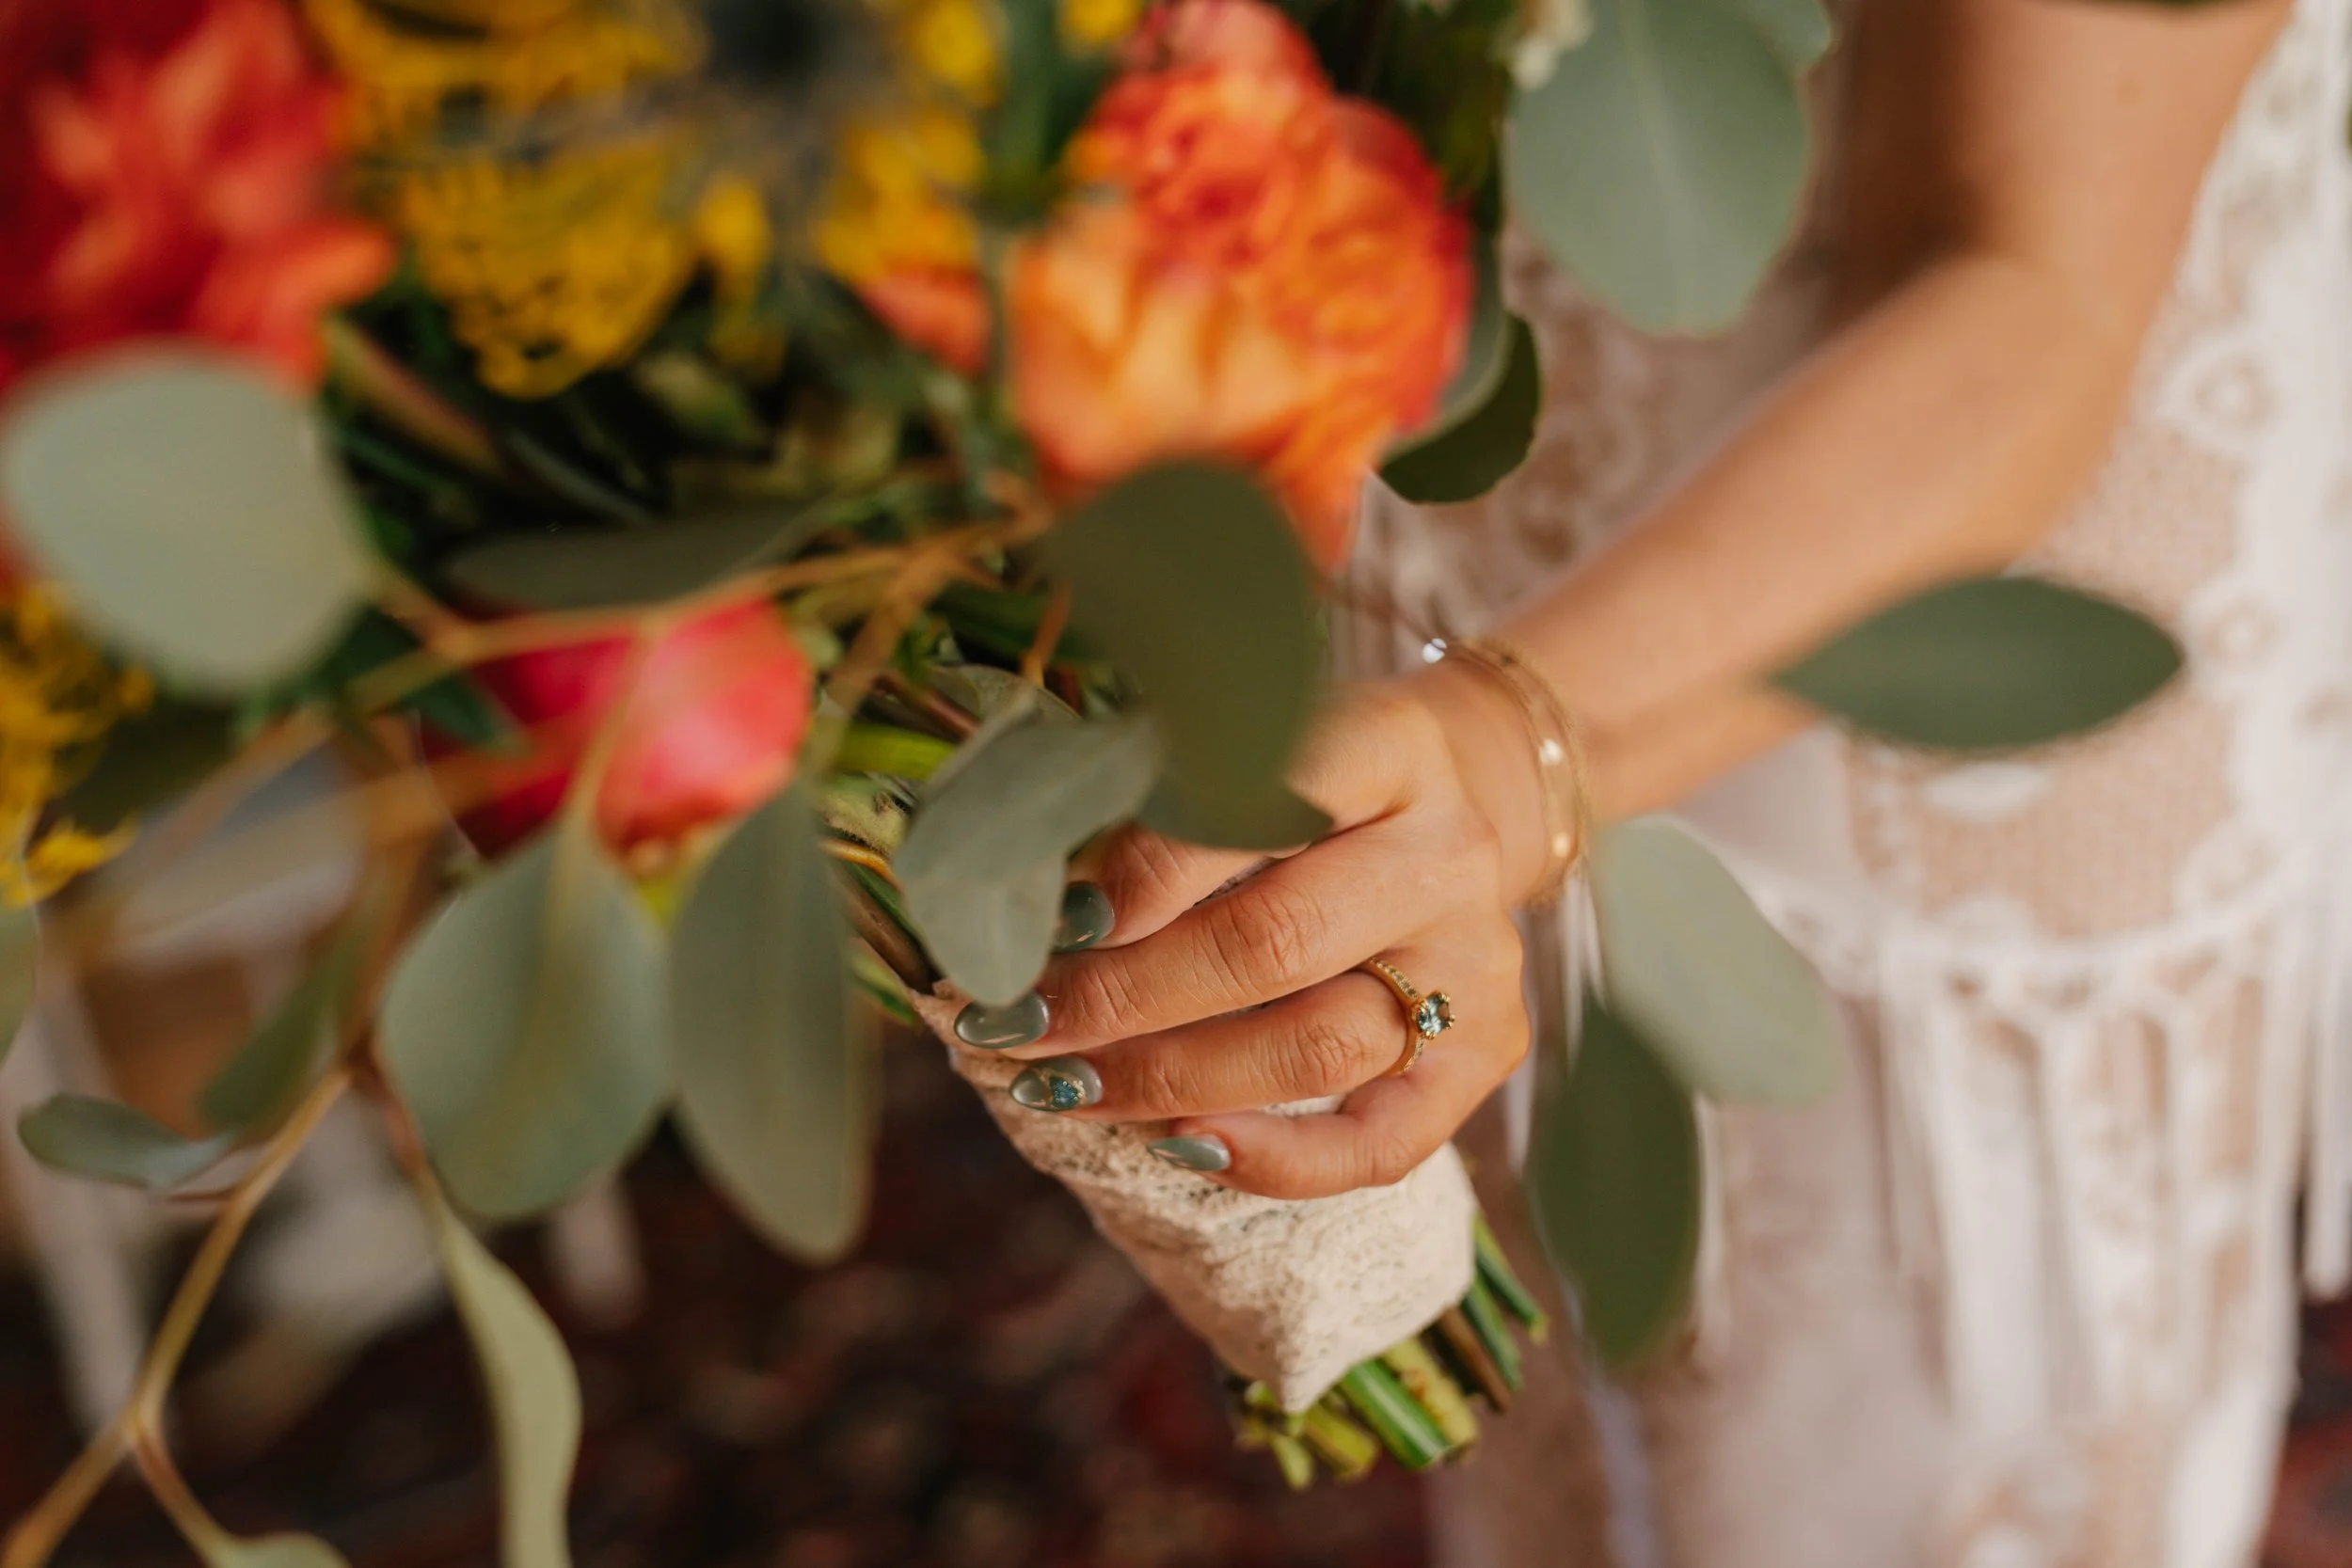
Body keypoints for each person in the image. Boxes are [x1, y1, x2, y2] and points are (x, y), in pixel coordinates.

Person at [969, 0, 2352, 1560]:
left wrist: (1502, 761)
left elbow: (2023, 276)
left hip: (1909, 617)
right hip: (1435, 512)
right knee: (1554, 1411)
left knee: (1847, 1474)